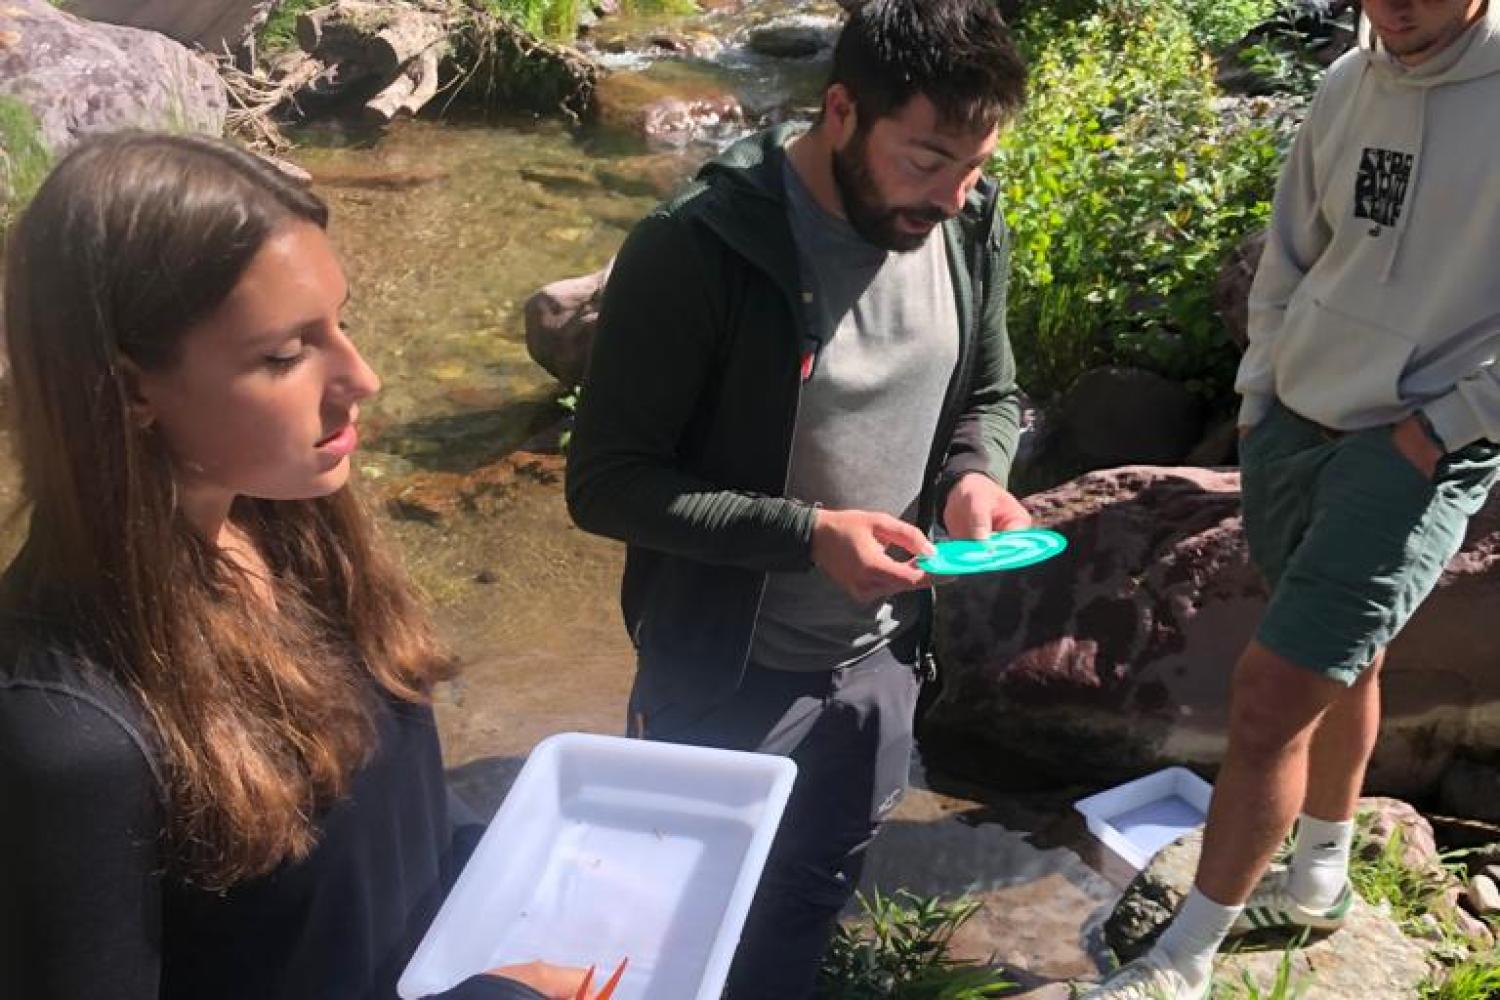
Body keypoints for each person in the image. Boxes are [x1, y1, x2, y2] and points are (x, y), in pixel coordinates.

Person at [0, 132, 588, 1000]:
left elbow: (394, 832)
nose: (364, 376)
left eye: (340, 323)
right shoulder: (68, 737)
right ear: (128, 392)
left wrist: (515, 884)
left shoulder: (292, 530)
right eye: (283, 355)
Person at [565, 2, 1029, 996]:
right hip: (725, 678)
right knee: (678, 922)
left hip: (884, 665)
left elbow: (987, 395)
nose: (952, 196)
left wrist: (975, 474)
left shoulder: (968, 223)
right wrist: (808, 534)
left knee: (811, 894)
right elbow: (607, 483)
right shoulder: (696, 250)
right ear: (840, 110)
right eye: (927, 159)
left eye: (975, 165)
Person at [1084, 1, 1500, 996]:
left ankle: (1184, 955)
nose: (1391, 6)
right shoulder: (1347, 83)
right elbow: (1290, 252)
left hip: (1412, 449)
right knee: (1344, 666)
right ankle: (1317, 876)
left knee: (1270, 696)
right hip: (1294, 426)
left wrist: (1438, 428)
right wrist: (1261, 393)